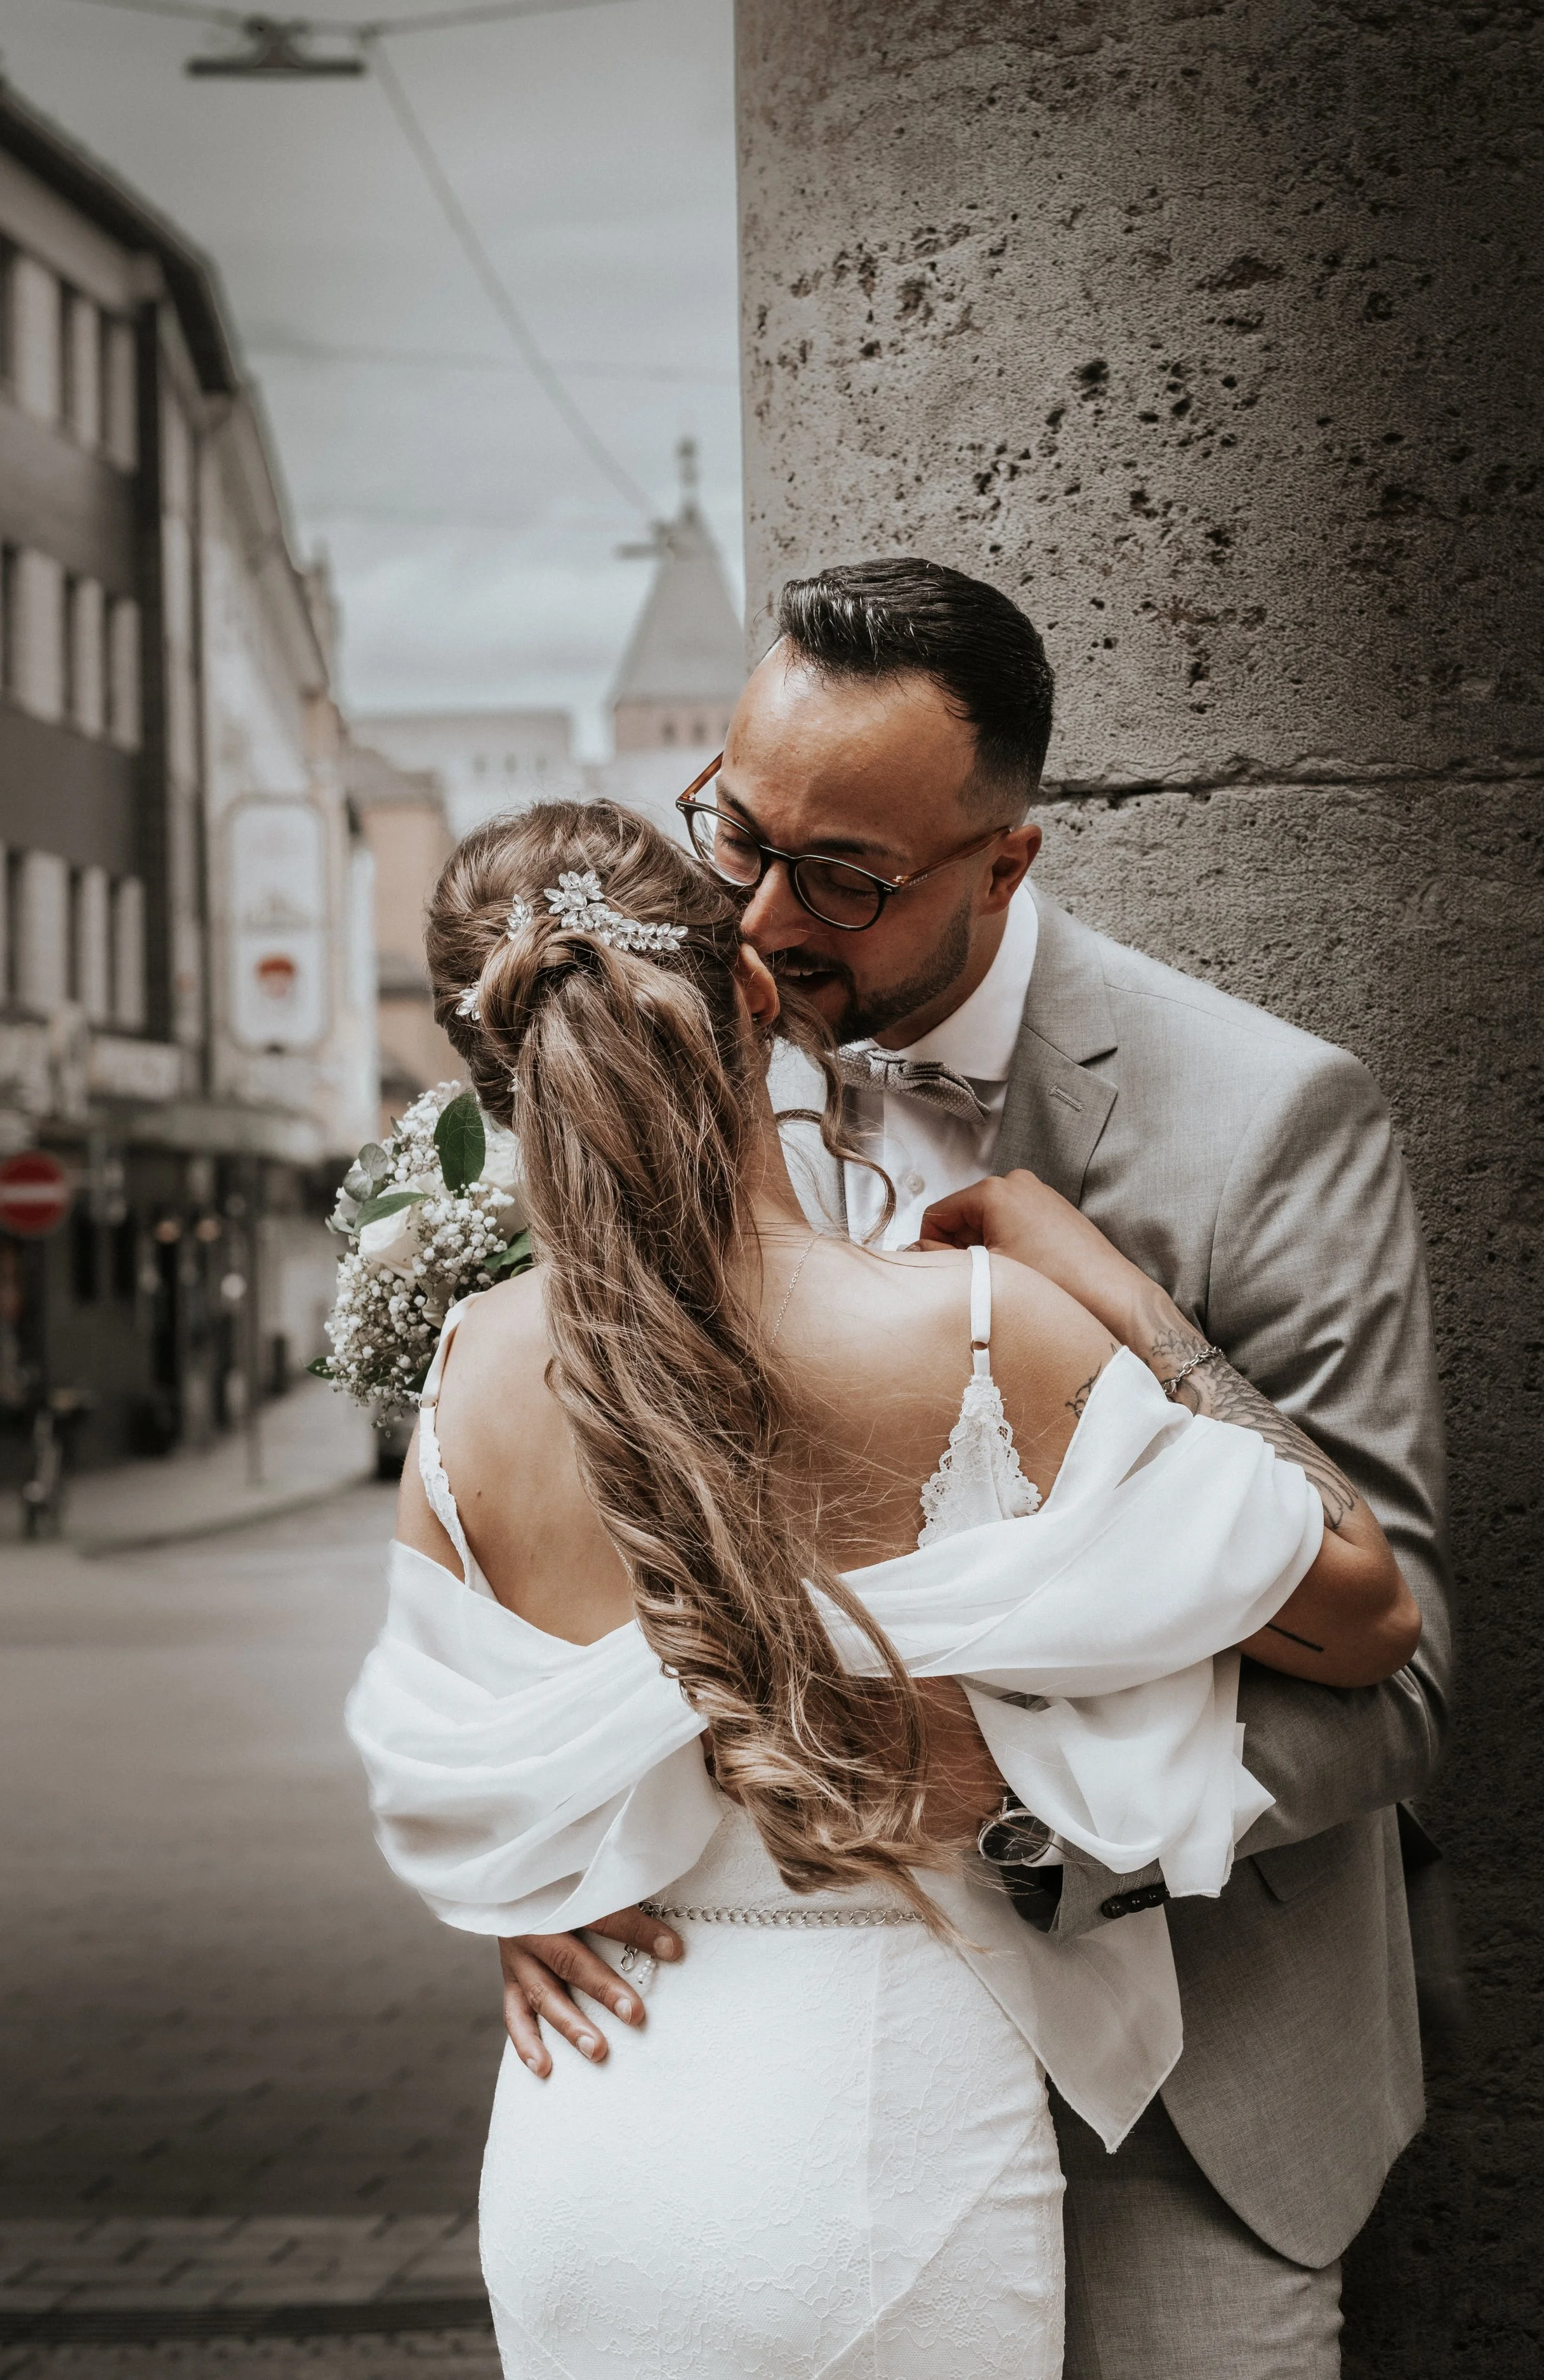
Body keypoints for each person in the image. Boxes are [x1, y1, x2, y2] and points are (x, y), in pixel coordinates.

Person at [490, 560, 1452, 2380]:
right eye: (735, 834)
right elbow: (540, 1543)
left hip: (1188, 2075)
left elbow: (1397, 1682)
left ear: (1003, 863)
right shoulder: (634, 1071)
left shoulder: (1267, 1120)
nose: (762, 920)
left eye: (842, 877)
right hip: (762, 2067)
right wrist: (529, 1851)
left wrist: (1001, 1824)